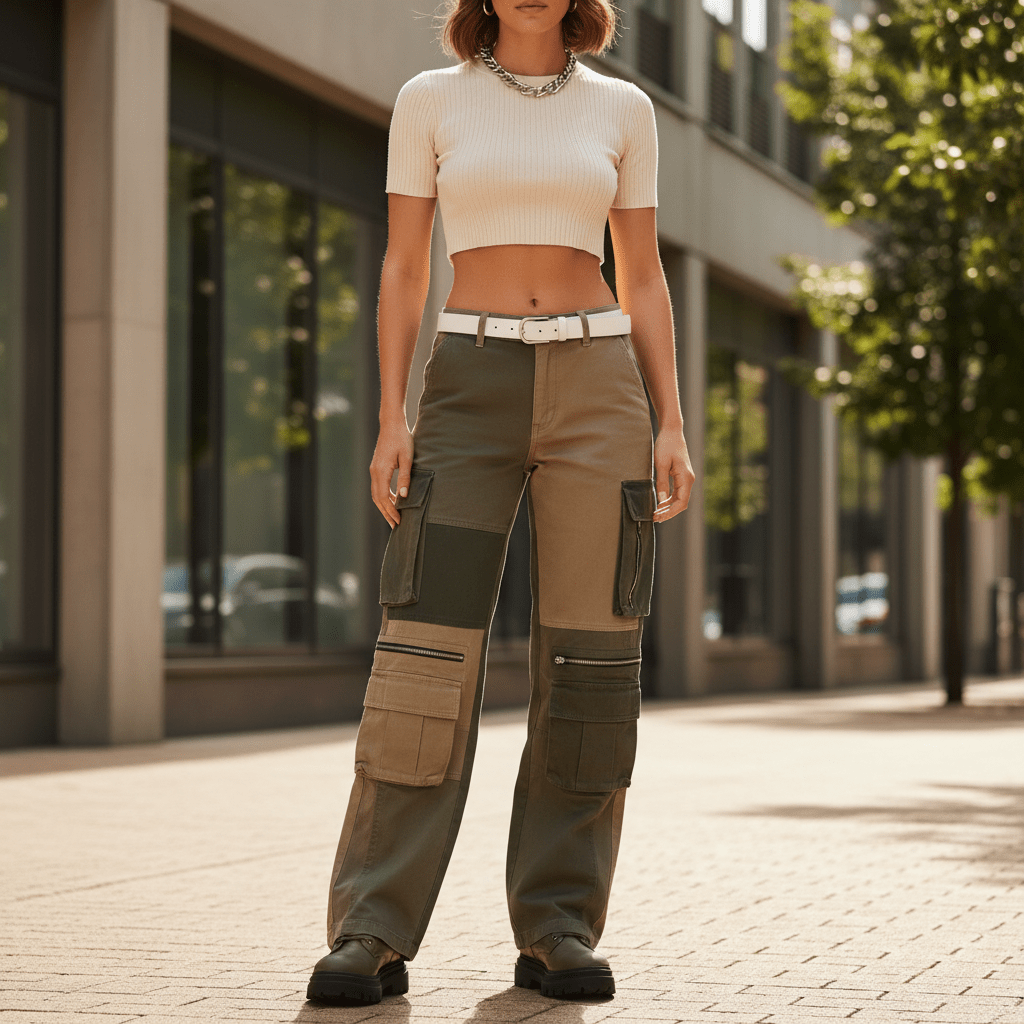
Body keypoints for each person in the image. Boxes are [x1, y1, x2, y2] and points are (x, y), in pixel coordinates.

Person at [306, 0, 696, 1006]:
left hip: (599, 378)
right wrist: (392, 416)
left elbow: (643, 276)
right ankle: (371, 927)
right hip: (468, 383)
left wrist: (671, 422)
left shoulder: (624, 109)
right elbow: (402, 267)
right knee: (422, 658)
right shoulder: (429, 99)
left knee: (592, 660)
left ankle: (559, 924)